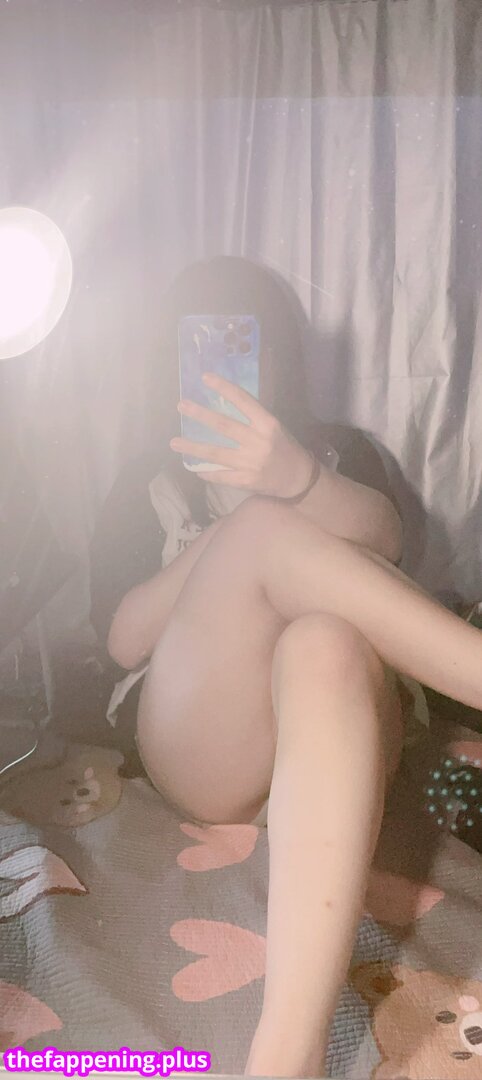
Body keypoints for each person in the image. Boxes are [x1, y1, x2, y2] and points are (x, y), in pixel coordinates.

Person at [89, 256, 481, 1078]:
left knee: (324, 641)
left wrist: (297, 478)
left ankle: (288, 1056)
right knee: (260, 534)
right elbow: (123, 638)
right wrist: (235, 532)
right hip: (207, 744)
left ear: (279, 354)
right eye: (200, 343)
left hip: (342, 733)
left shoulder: (337, 452)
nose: (223, 364)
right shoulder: (146, 478)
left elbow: (387, 541)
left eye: (243, 340)